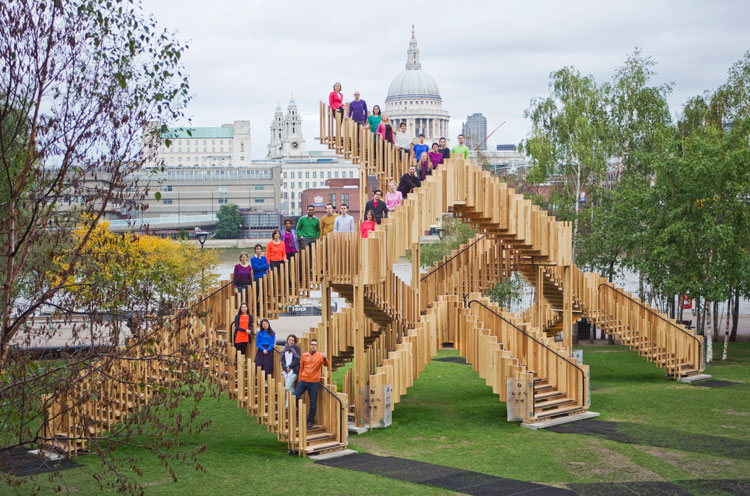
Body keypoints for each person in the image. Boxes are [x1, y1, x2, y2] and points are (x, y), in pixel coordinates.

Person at [294, 338, 329, 429]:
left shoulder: (320, 356)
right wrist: (300, 379)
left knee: (313, 402)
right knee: (295, 396)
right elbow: (301, 367)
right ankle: (299, 412)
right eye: (312, 344)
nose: (313, 346)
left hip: (314, 382)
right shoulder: (304, 355)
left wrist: (325, 358)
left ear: (317, 346)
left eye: (315, 345)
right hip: (304, 380)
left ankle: (310, 421)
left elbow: (326, 364)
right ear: (309, 345)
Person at [281, 334, 301, 401]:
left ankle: (297, 395)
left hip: (293, 370)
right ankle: (287, 405)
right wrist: (285, 368)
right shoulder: (285, 349)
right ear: (287, 340)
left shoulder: (297, 348)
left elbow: (297, 359)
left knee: (287, 387)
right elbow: (283, 360)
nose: (291, 341)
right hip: (286, 371)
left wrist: (289, 367)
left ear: (295, 341)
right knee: (288, 390)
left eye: (293, 340)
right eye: (290, 340)